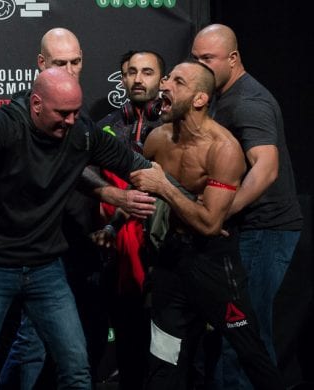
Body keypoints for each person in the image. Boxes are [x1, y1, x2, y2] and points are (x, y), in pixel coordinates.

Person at [0, 67, 156, 389]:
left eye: (76, 113)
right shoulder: (5, 123)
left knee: (77, 370)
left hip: (45, 268)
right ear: (36, 104)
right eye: (62, 113)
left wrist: (176, 192)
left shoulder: (81, 131)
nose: (70, 121)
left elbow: (137, 165)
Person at [129, 60, 284, 390]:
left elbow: (211, 224)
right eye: (168, 77)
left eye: (178, 81)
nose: (166, 85)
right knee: (164, 359)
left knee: (249, 351)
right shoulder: (157, 138)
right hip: (171, 263)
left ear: (200, 98)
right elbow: (138, 189)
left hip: (214, 264)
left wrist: (165, 188)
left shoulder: (224, 149)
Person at [191, 24, 303, 390]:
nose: (201, 66)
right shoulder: (222, 95)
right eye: (196, 59)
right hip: (249, 229)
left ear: (233, 59)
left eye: (208, 59)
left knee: (242, 333)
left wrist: (220, 213)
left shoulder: (248, 102)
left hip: (265, 229)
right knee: (239, 331)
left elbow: (266, 169)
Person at [93, 49, 166, 389]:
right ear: (122, 79)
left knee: (170, 342)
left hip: (165, 250)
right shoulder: (105, 127)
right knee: (127, 337)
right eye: (131, 72)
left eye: (147, 72)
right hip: (117, 251)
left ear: (161, 80)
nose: (138, 79)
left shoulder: (172, 126)